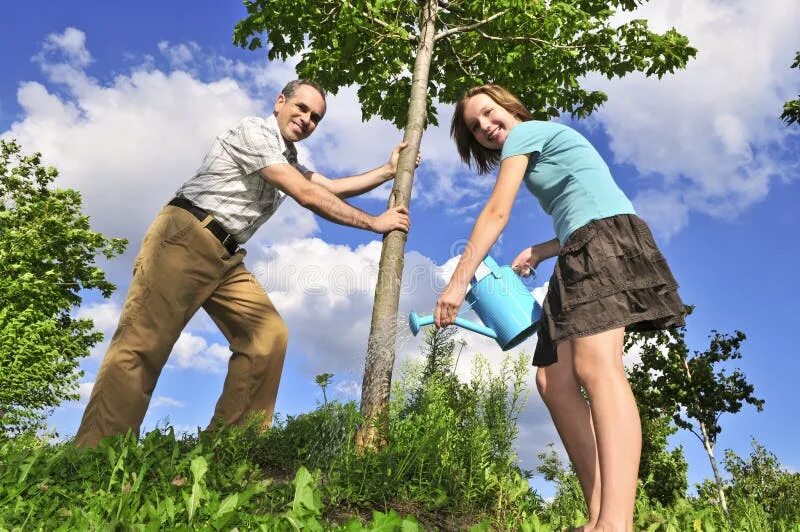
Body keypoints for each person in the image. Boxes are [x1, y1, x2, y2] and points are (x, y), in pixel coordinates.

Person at [75, 79, 413, 447]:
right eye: (301, 108)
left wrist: (386, 170)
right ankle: (94, 455)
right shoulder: (254, 131)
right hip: (186, 235)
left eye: (315, 117)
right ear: (280, 102)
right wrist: (373, 222)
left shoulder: (289, 159)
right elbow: (306, 194)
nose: (306, 119)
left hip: (227, 255)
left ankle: (228, 449)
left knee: (267, 336)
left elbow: (328, 186)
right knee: (143, 343)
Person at [435, 84, 684, 531]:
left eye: (490, 114)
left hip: (602, 243)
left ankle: (616, 524)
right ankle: (598, 516)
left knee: (597, 367)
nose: (487, 128)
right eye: (475, 127)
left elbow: (496, 213)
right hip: (580, 246)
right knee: (553, 380)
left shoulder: (525, 133)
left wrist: (457, 284)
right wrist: (542, 250)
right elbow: (587, 202)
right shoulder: (536, 145)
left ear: (511, 107)